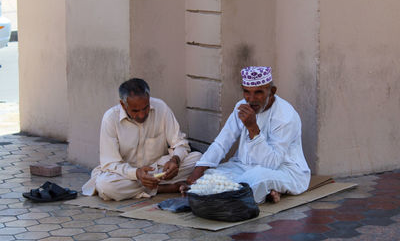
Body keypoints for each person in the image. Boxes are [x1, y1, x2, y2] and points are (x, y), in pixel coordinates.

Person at [187, 66, 310, 204]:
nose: (251, 99)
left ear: (272, 92)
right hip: (243, 166)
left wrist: (253, 128)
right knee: (210, 177)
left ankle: (258, 191)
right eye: (246, 92)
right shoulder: (241, 106)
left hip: (284, 170)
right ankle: (264, 193)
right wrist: (199, 169)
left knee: (257, 179)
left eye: (258, 92)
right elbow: (222, 142)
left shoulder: (285, 116)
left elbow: (272, 163)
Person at [82, 78, 202, 201]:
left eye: (145, 108)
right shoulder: (110, 118)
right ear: (123, 105)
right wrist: (136, 173)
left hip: (158, 170)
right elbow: (110, 163)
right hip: (127, 175)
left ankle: (152, 185)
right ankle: (166, 188)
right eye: (135, 110)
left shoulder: (161, 108)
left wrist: (174, 160)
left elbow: (180, 143)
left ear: (149, 99)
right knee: (106, 185)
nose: (142, 114)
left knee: (198, 159)